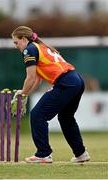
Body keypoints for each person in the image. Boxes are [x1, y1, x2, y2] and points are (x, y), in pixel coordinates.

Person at [11, 26, 90, 163]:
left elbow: (30, 78)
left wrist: (22, 93)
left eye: (16, 42)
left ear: (24, 39)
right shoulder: (39, 47)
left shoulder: (29, 50)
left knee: (38, 114)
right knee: (66, 118)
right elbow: (36, 79)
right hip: (76, 81)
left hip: (66, 83)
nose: (16, 46)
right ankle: (81, 153)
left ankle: (43, 154)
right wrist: (26, 93)